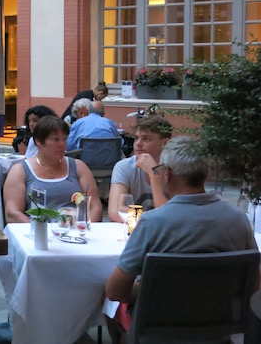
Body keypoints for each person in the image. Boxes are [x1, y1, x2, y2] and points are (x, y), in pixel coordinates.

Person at [105, 136, 258, 334]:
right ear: (207, 175)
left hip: (158, 329)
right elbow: (255, 281)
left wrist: (142, 289)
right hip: (217, 327)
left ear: (166, 175)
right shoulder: (238, 220)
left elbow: (115, 291)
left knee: (107, 301)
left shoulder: (152, 222)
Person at [3, 115, 103, 223]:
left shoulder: (78, 167)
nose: (62, 144)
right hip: (38, 233)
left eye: (64, 139)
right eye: (55, 139)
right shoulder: (20, 171)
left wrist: (84, 228)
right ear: (38, 141)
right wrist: (42, 232)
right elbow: (12, 213)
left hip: (76, 232)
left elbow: (95, 206)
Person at [107, 115, 172, 223]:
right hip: (133, 233)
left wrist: (153, 172)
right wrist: (156, 218)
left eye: (146, 138)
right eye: (136, 138)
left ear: (164, 143)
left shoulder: (176, 168)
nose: (138, 144)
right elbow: (115, 213)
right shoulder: (124, 167)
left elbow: (173, 216)